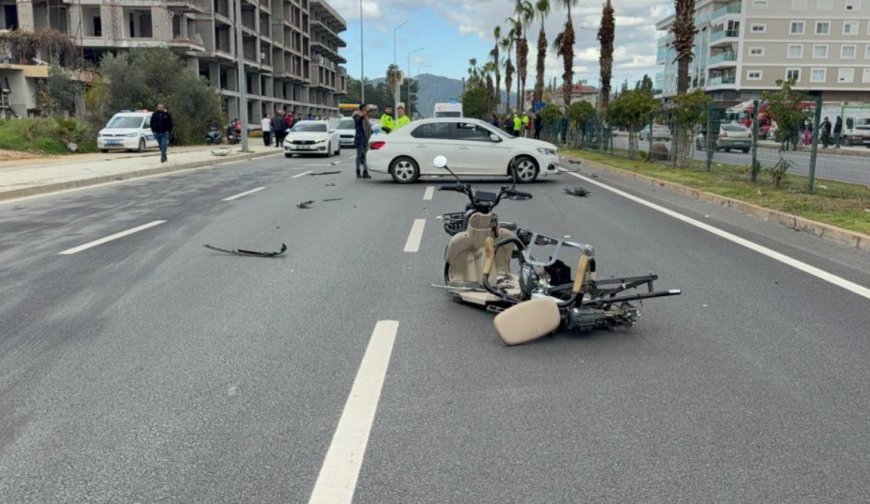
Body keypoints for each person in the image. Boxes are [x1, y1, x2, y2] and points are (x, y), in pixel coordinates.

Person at [353, 103, 372, 179]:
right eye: (367, 108)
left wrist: (372, 131)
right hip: (359, 138)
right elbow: (358, 121)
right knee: (359, 155)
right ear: (363, 108)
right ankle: (358, 171)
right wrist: (362, 116)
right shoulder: (356, 115)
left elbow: (367, 127)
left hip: (365, 138)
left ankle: (365, 172)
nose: (368, 109)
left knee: (365, 156)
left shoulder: (366, 116)